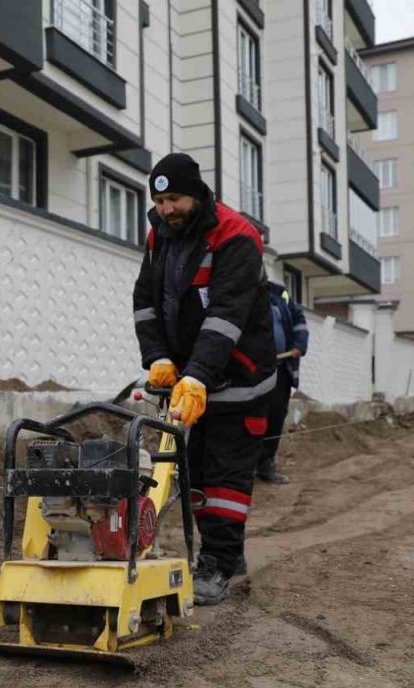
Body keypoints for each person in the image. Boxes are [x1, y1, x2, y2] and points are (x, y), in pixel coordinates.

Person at [132, 153, 275, 606]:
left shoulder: (236, 236)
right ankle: (226, 553)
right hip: (190, 381)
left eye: (174, 198)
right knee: (193, 475)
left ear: (196, 194)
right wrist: (157, 357)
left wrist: (197, 375)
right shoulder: (160, 238)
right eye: (159, 200)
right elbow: (144, 302)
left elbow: (226, 316)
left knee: (225, 478)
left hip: (239, 380)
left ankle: (217, 564)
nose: (166, 208)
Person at [256, 280, 309, 485]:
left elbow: (299, 320)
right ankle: (246, 466)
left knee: (276, 416)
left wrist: (299, 344)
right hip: (254, 371)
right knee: (252, 417)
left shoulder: (281, 294)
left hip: (280, 369)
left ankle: (266, 465)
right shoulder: (243, 291)